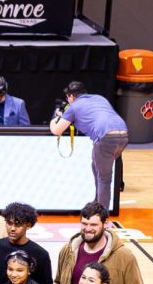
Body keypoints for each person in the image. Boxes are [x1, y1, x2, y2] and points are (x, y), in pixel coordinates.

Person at [49, 81, 129, 210]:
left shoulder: (73, 107)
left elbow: (56, 130)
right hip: (124, 134)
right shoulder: (99, 98)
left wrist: (54, 119)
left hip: (106, 137)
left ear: (71, 96)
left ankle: (101, 216)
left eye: (67, 97)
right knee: (96, 165)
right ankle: (97, 203)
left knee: (104, 178)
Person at [0, 202, 54, 284]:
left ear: (28, 225)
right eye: (9, 223)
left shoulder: (41, 254)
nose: (12, 228)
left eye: (18, 224)